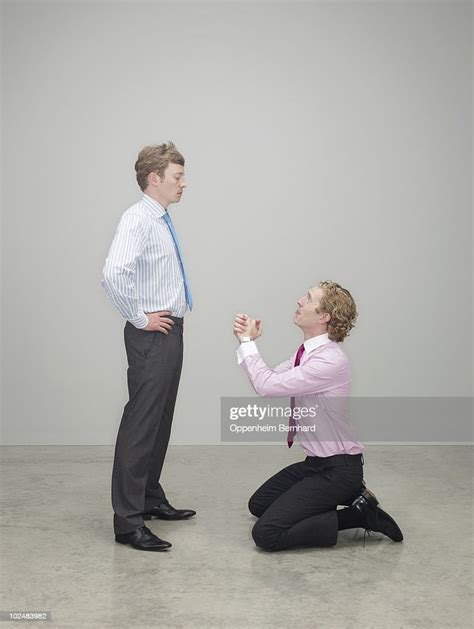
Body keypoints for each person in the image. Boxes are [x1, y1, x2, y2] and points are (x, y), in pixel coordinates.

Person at [233, 281, 403, 551]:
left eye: (309, 298)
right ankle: (352, 496)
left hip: (338, 470)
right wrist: (250, 343)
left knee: (266, 534)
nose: (300, 300)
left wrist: (246, 342)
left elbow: (266, 386)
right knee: (259, 505)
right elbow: (273, 379)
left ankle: (356, 514)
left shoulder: (329, 362)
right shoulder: (306, 354)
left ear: (324, 317)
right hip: (316, 464)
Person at [102, 142, 195, 552]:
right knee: (141, 423)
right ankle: (127, 522)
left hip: (171, 329)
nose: (183, 183)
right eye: (177, 176)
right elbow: (112, 274)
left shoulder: (160, 219)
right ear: (154, 178)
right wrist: (140, 318)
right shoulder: (138, 219)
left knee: (160, 419)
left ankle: (149, 499)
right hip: (151, 334)